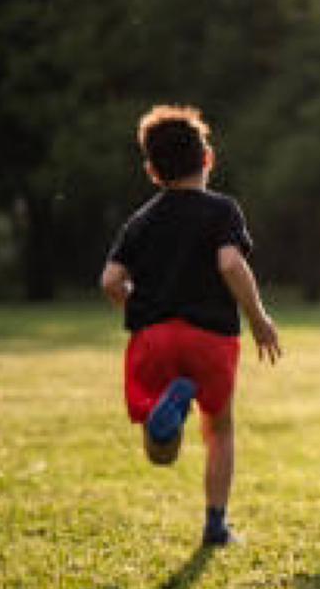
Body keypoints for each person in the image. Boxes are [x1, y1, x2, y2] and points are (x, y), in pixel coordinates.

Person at [100, 105, 282, 547]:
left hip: (154, 335)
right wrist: (259, 318)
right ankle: (216, 525)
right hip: (211, 336)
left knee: (161, 453)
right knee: (219, 427)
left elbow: (110, 280)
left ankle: (168, 407)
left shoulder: (140, 221)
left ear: (151, 171)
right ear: (208, 159)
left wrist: (136, 309)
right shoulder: (222, 210)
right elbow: (230, 262)